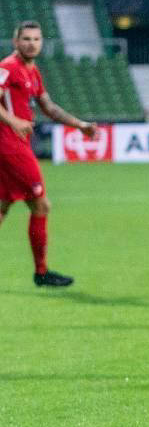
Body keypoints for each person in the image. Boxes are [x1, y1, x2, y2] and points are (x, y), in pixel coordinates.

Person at [0, 21, 97, 287]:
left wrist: (80, 125)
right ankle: (41, 272)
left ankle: (42, 272)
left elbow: (49, 107)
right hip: (10, 146)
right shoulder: (7, 67)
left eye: (36, 39)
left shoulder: (33, 72)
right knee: (41, 205)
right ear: (15, 42)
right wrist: (13, 121)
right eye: (26, 39)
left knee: (3, 206)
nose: (32, 44)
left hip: (14, 144)